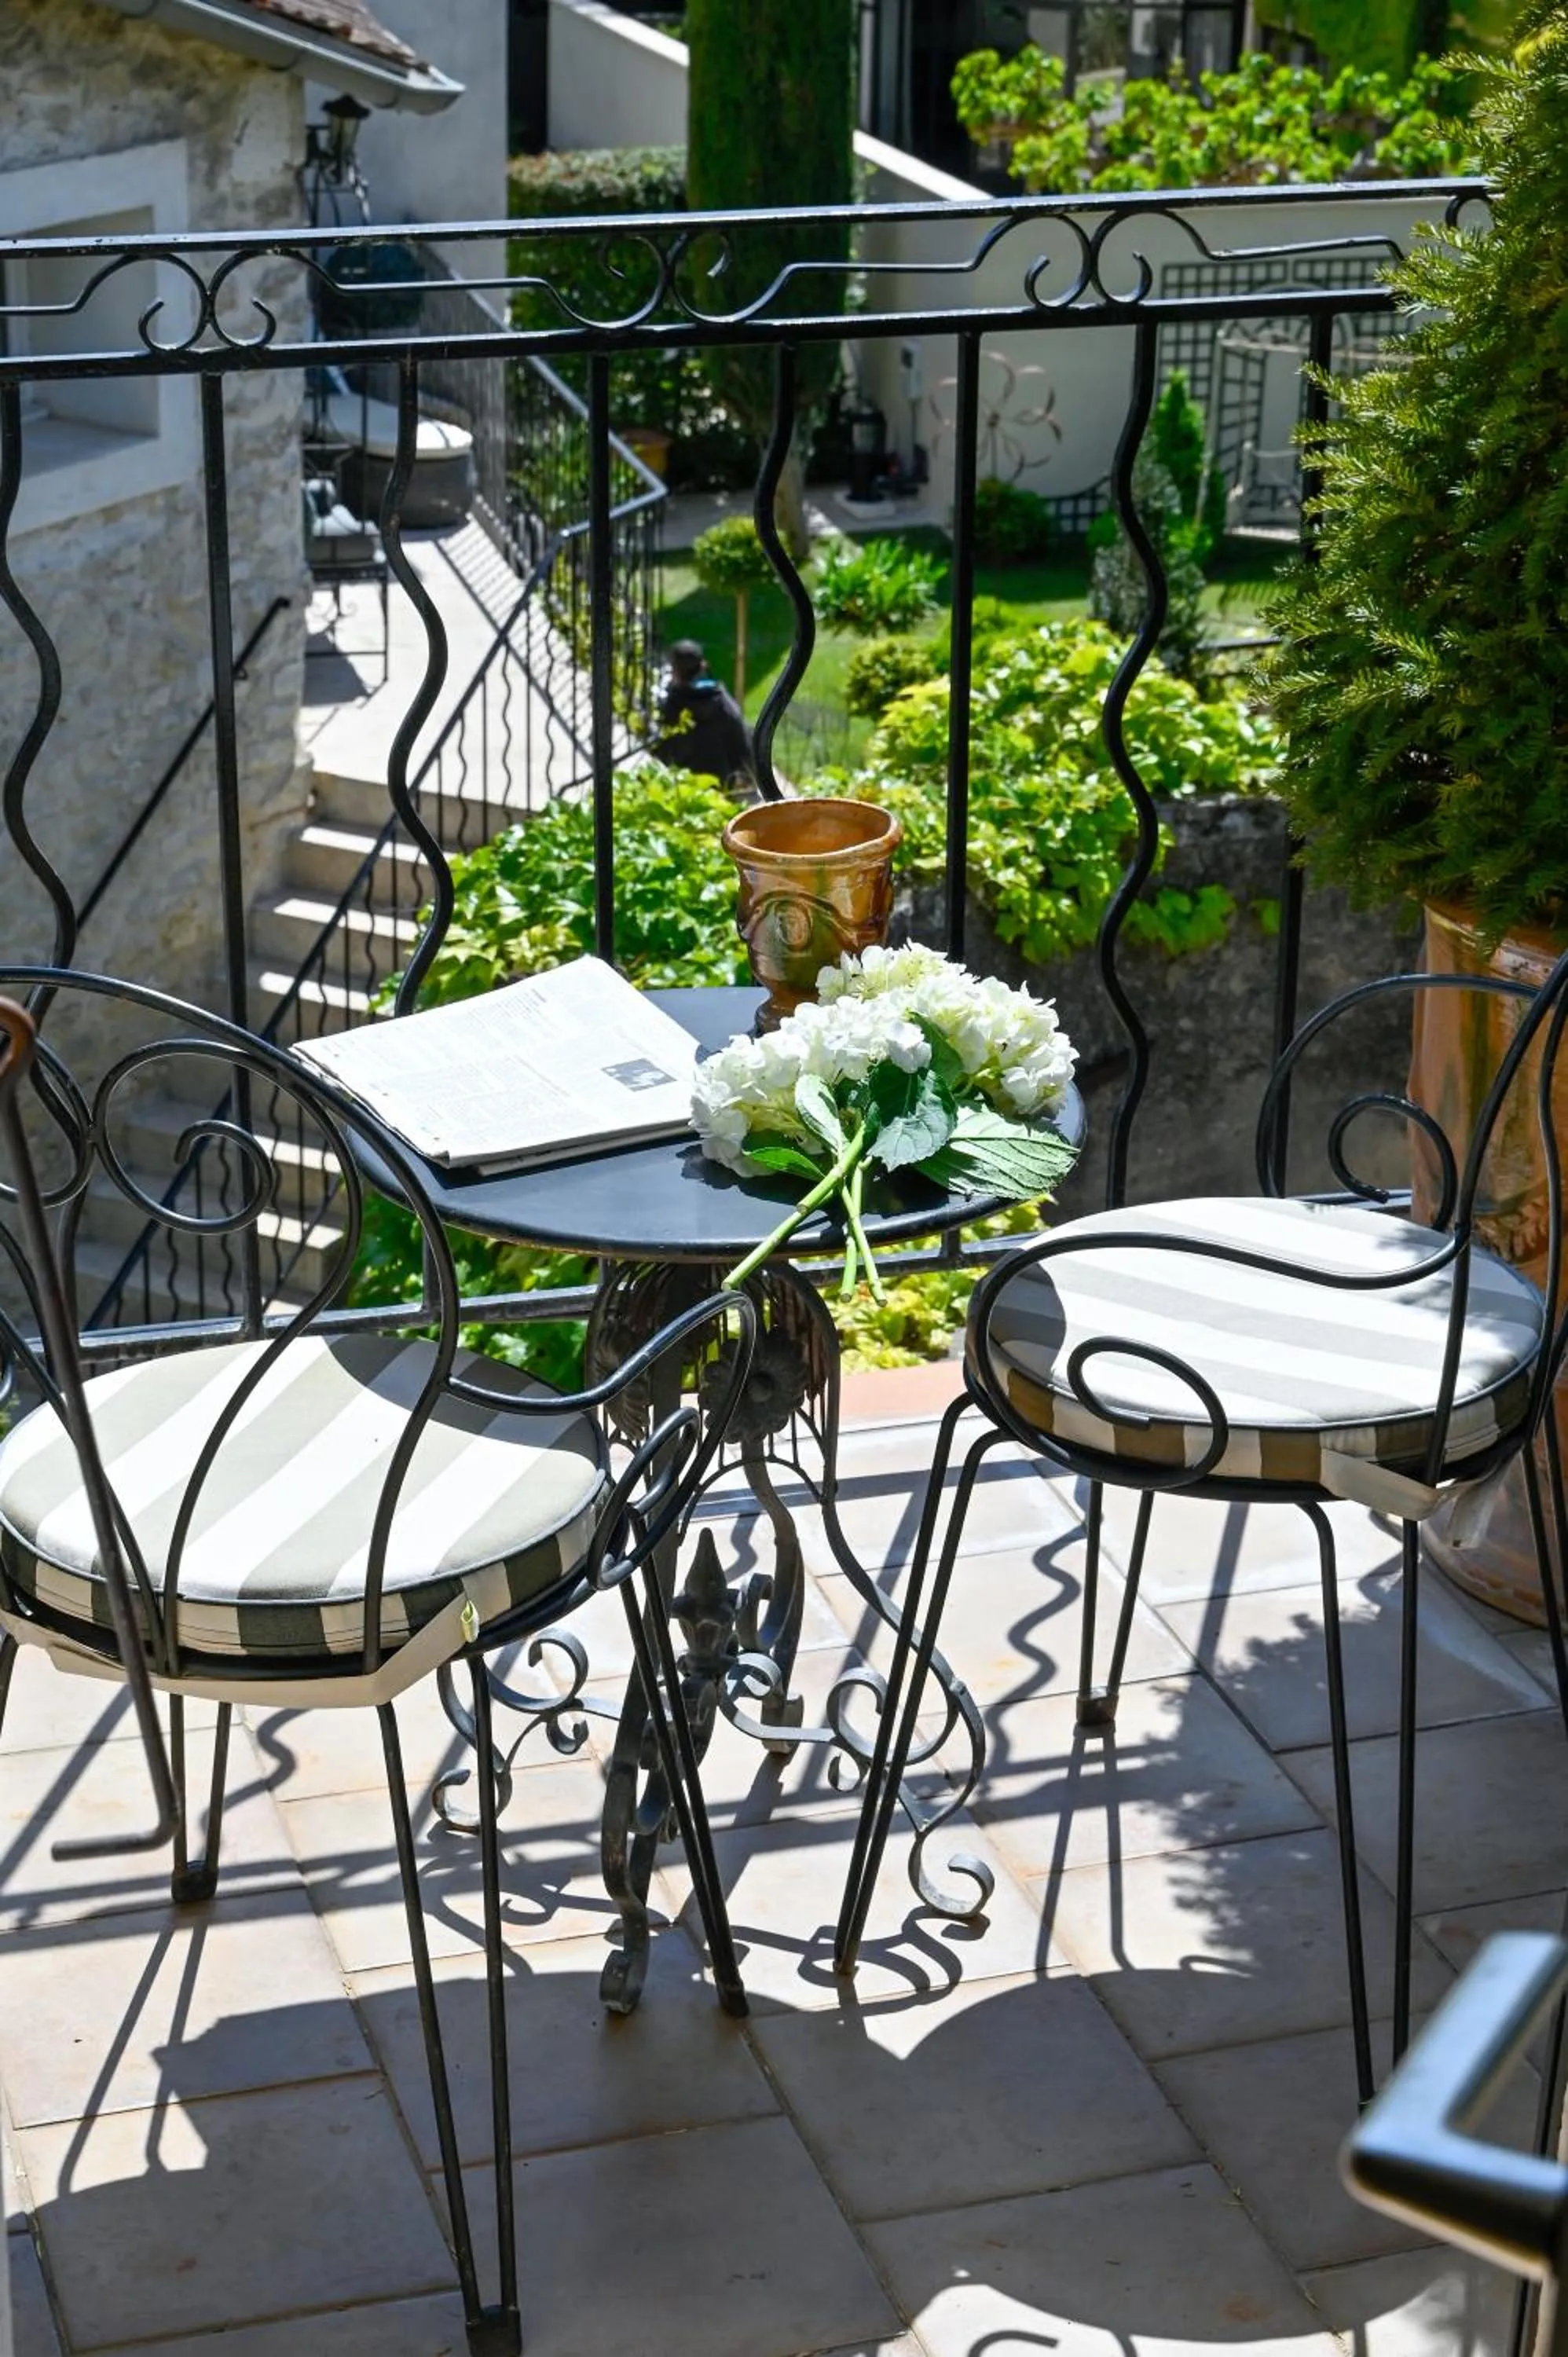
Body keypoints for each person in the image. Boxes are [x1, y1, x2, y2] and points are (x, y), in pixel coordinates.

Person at [652, 640, 756, 794]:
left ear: (675, 671)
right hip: (724, 783)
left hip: (687, 785)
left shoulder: (673, 708)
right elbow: (743, 745)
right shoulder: (722, 702)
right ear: (703, 666)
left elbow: (663, 752)